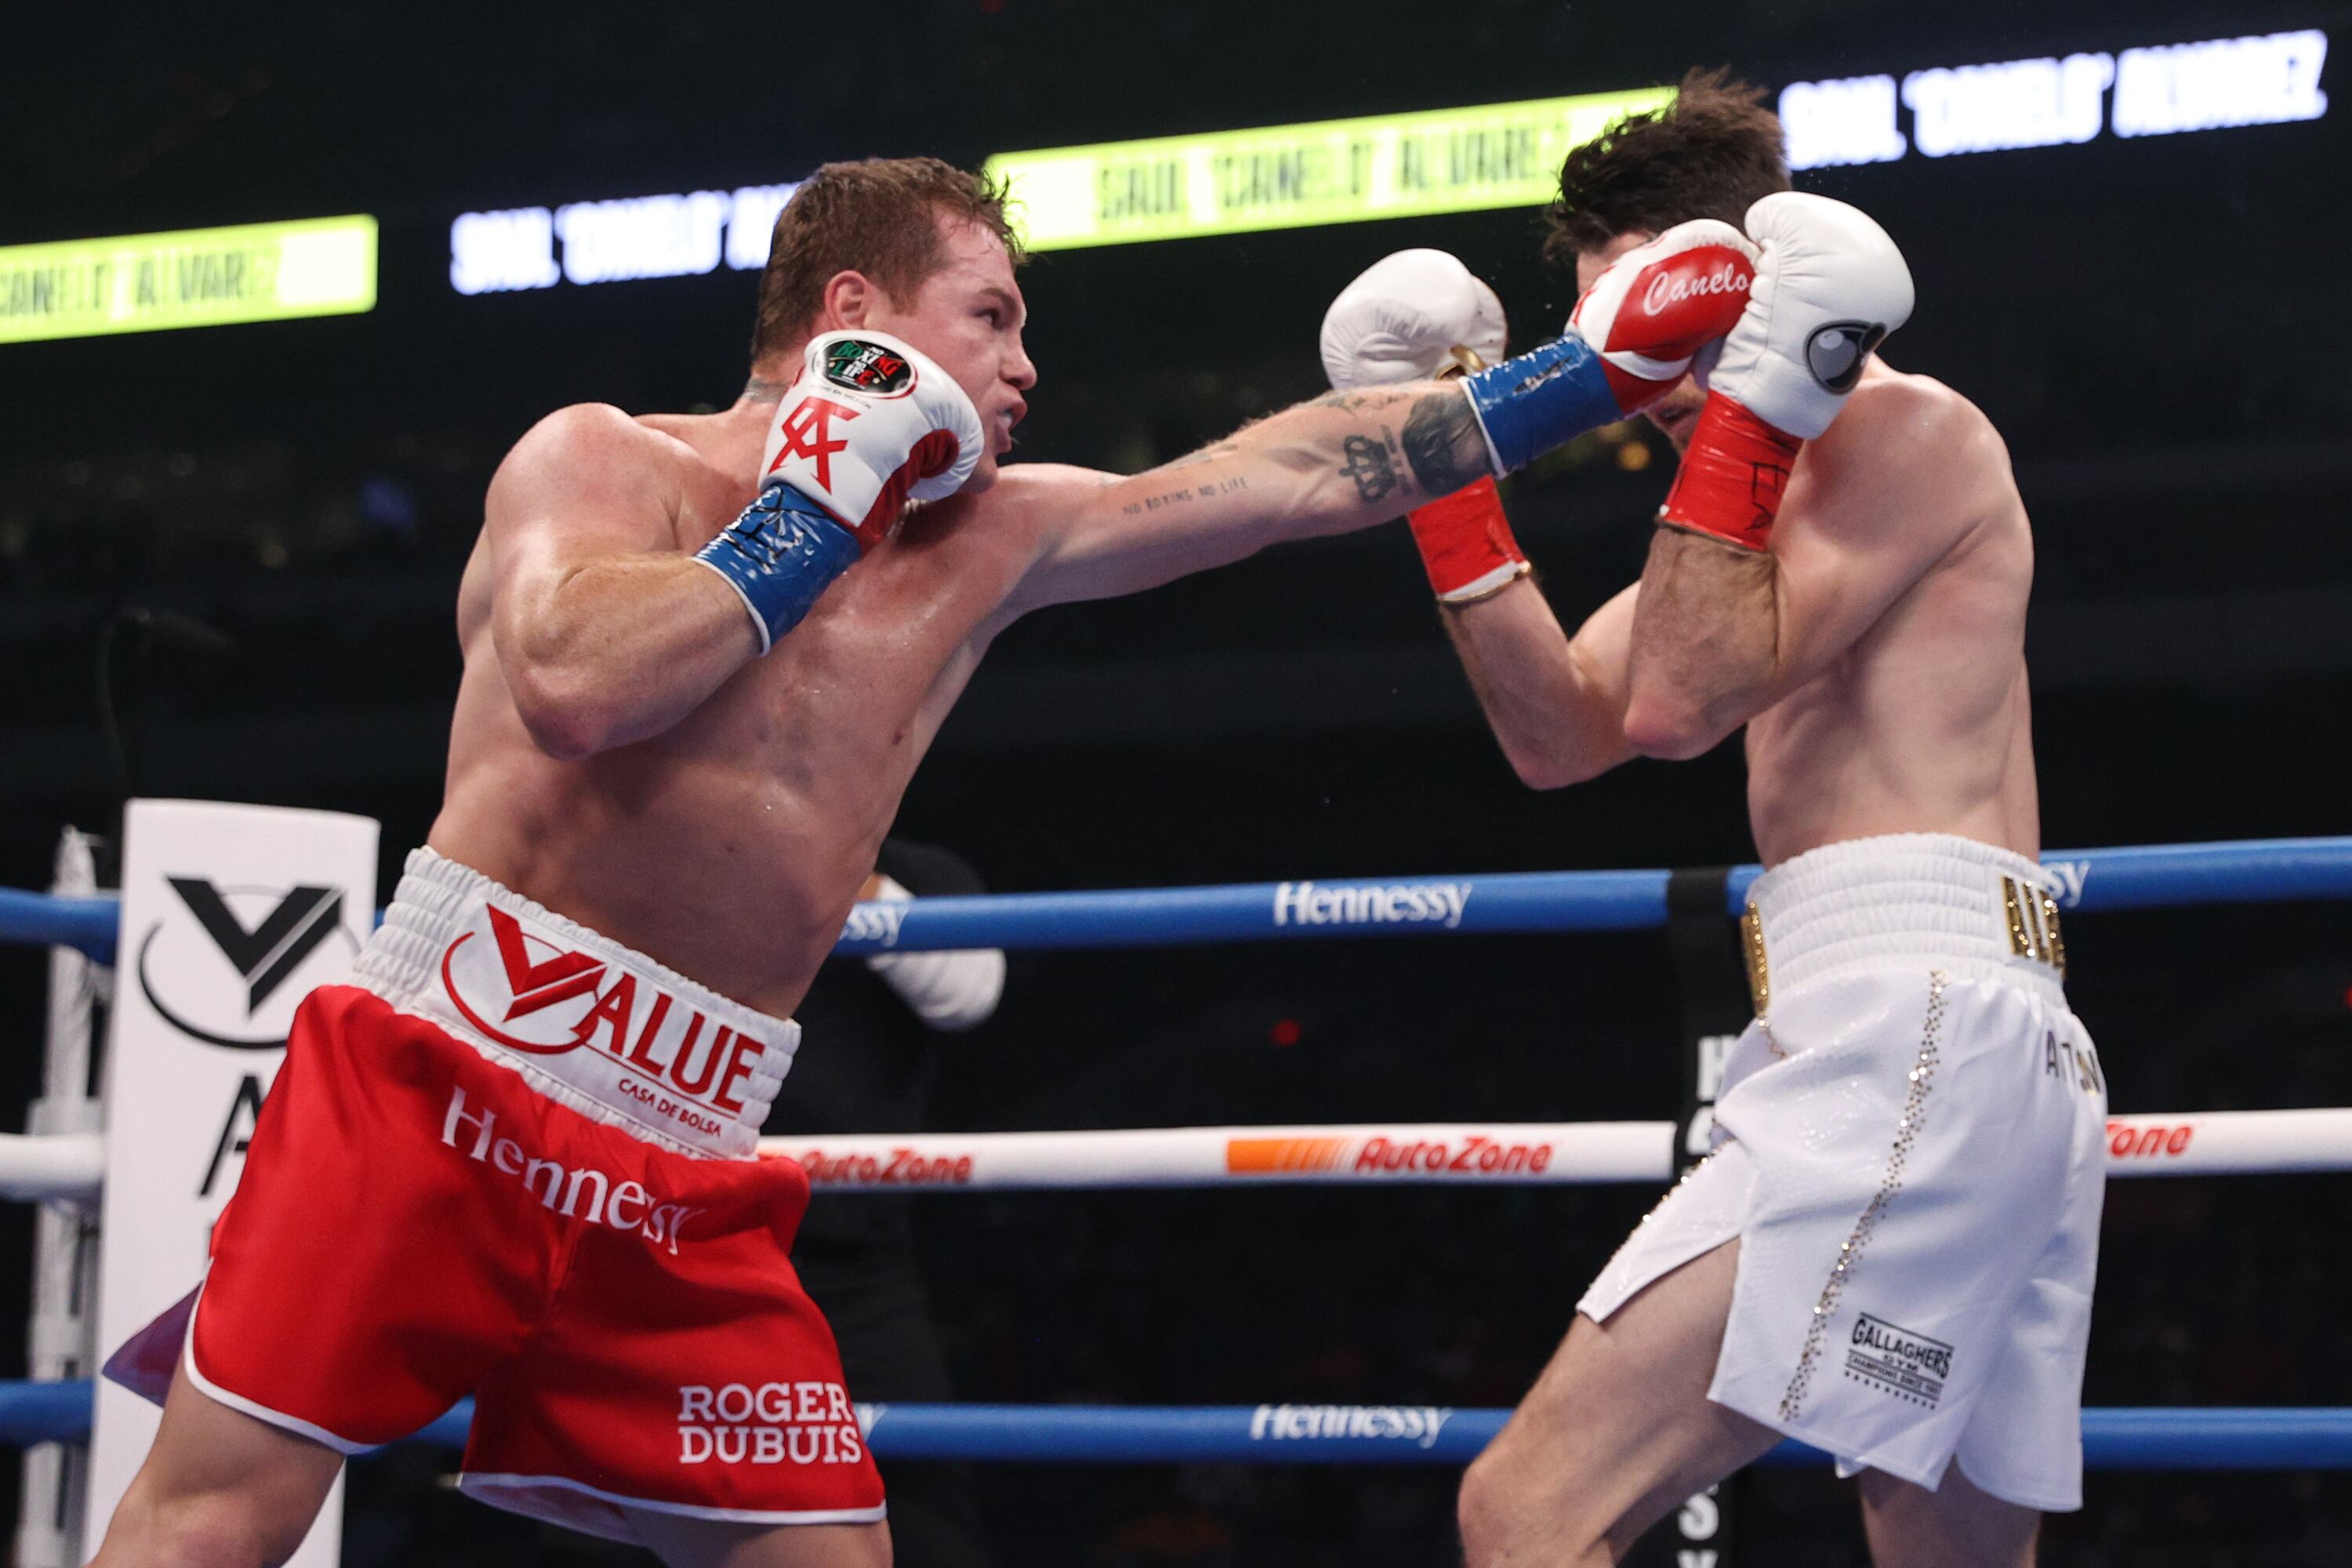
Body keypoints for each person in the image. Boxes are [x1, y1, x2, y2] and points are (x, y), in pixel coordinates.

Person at [91, 153, 1724, 1568]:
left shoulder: (998, 539)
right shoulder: (608, 462)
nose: (1027, 365)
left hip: (681, 1142)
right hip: (448, 1072)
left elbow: (1290, 476)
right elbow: (582, 687)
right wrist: (814, 502)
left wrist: (1591, 378)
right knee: (219, 1515)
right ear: (858, 307)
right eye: (994, 316)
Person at [1321, 73, 2105, 1567]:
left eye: (1667, 326)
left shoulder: (1906, 434)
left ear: (1755, 292)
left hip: (1919, 1030)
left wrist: (1755, 402)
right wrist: (1441, 471)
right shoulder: (1743, 514)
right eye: (1619, 343)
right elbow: (1561, 736)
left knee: (1527, 1507)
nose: (1643, 379)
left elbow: (1679, 704)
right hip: (1922, 1032)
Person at [777, 840, 1004, 1568]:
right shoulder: (653, 848)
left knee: (923, 1520)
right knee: (631, 1505)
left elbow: (971, 993)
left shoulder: (916, 868)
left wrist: (822, 860)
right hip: (671, 1239)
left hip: (852, 1261)